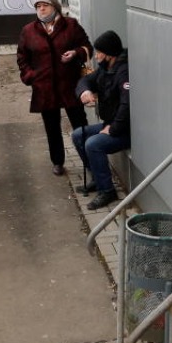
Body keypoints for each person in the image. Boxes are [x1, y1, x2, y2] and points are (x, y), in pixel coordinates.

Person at [16, 0, 91, 176]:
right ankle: (57, 161)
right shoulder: (29, 30)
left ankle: (89, 160)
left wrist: (75, 53)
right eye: (38, 6)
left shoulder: (70, 25)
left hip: (69, 84)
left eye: (45, 5)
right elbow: (22, 57)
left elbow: (87, 46)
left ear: (55, 7)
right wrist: (30, 76)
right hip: (44, 87)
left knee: (80, 124)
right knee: (52, 127)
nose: (41, 9)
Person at [72, 30, 130, 211]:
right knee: (78, 135)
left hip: (125, 130)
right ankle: (98, 179)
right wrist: (85, 92)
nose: (96, 56)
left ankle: (107, 191)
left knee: (93, 144)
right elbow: (85, 81)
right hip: (110, 124)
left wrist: (112, 129)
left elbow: (127, 105)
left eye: (99, 52)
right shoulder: (105, 69)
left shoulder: (123, 72)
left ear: (110, 54)